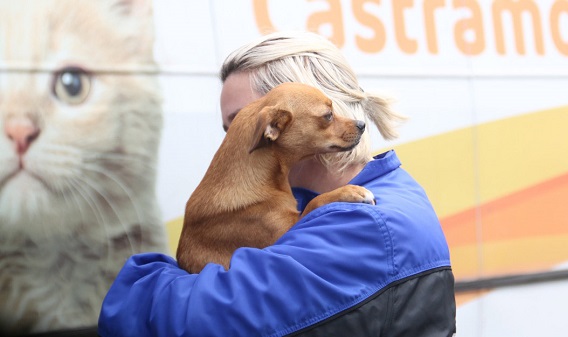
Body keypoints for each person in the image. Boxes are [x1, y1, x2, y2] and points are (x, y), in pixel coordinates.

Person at [98, 31, 456, 337]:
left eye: (244, 121)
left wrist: (141, 283)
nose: (237, 140)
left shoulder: (363, 223)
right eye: (230, 129)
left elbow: (201, 323)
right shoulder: (365, 195)